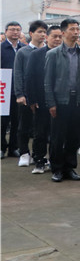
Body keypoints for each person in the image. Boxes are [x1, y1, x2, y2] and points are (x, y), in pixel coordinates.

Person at [43, 19, 80, 182]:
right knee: (58, 137)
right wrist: (51, 103)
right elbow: (48, 81)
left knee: (75, 136)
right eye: (72, 29)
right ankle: (57, 168)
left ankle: (70, 167)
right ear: (64, 33)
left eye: (78, 29)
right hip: (60, 101)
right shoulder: (53, 54)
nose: (76, 32)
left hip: (78, 101)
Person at [25, 25, 63, 173]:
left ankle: (55, 161)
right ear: (46, 37)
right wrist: (32, 99)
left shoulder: (65, 54)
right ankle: (39, 160)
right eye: (54, 36)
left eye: (60, 36)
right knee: (40, 132)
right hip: (41, 100)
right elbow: (29, 77)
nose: (58, 39)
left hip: (61, 100)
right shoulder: (36, 55)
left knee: (57, 133)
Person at [13, 20, 48, 167]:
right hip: (26, 96)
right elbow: (18, 74)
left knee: (41, 128)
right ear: (31, 33)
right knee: (24, 126)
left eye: (44, 32)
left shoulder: (49, 51)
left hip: (43, 96)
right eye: (39, 32)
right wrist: (20, 94)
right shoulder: (23, 52)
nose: (42, 35)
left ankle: (38, 155)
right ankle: (24, 153)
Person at [1, 21, 24, 159]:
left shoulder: (23, 48)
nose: (15, 32)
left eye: (18, 30)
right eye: (12, 29)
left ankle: (13, 148)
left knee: (17, 121)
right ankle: (1, 147)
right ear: (6, 31)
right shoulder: (1, 48)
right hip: (3, 89)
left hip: (19, 90)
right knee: (3, 121)